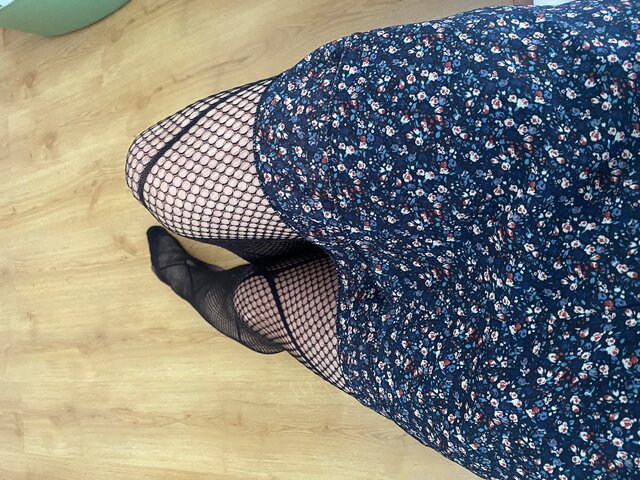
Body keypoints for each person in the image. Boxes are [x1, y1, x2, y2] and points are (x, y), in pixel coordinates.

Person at [124, 0, 639, 478]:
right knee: (168, 181)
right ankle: (292, 236)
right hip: (577, 133)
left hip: (569, 376)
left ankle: (215, 282)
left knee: (261, 304)